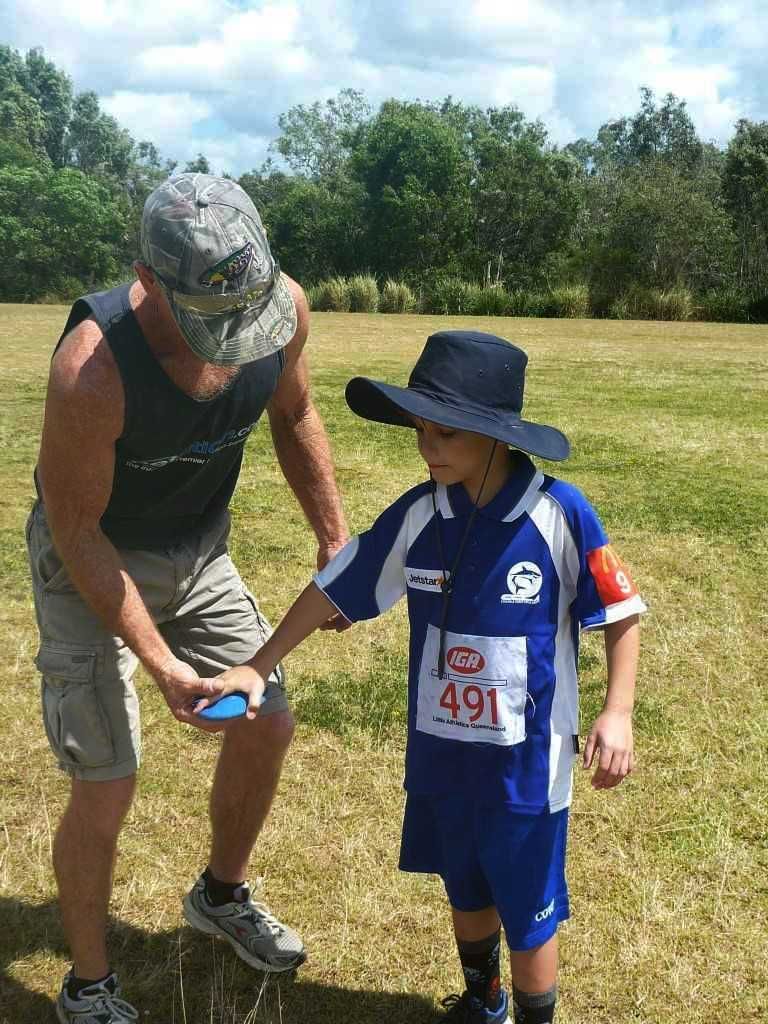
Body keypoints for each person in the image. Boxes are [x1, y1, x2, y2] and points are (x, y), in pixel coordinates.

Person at [208, 330, 646, 1024]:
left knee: (528, 909)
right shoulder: (420, 513)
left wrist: (616, 711)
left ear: (496, 435)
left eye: (446, 433)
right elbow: (335, 586)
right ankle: (484, 1000)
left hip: (526, 768)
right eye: (421, 431)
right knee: (464, 888)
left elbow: (620, 613)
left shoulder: (560, 513)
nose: (428, 447)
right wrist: (258, 664)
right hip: (442, 756)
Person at [26, 173, 348, 1023]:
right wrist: (161, 662)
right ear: (148, 279)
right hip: (90, 554)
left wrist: (333, 539)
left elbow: (296, 411)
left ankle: (220, 895)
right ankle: (87, 985)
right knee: (108, 779)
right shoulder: (92, 370)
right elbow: (78, 530)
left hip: (198, 548)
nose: (235, 339)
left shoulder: (285, 310)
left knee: (267, 719)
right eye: (213, 318)